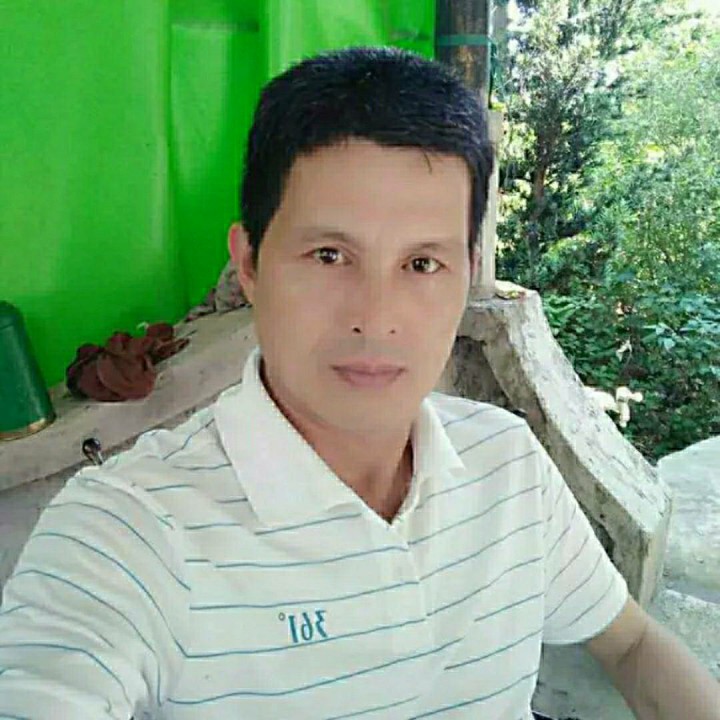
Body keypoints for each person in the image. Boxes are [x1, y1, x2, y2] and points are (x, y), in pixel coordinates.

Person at [0, 46, 717, 720]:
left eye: (422, 264)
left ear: (467, 275)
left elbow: (629, 642)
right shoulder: (127, 532)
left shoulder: (507, 463)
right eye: (329, 254)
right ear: (249, 265)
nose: (376, 317)